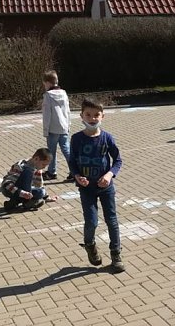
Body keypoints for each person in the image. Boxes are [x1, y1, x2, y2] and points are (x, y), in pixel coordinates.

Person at [69, 98, 125, 273]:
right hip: (87, 189)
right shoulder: (77, 139)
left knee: (112, 221)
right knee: (91, 222)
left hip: (106, 188)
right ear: (81, 116)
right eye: (88, 115)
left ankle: (116, 254)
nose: (92, 118)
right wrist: (77, 176)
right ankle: (90, 244)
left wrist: (109, 175)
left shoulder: (107, 138)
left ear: (102, 116)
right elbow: (72, 162)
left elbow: (117, 160)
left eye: (96, 115)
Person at [42, 70, 71, 181]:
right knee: (66, 149)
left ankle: (51, 172)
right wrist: (68, 125)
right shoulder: (64, 93)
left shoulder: (48, 96)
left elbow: (47, 115)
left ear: (48, 83)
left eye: (44, 84)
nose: (44, 86)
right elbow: (67, 111)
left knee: (51, 151)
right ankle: (74, 171)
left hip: (52, 129)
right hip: (63, 127)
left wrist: (45, 130)